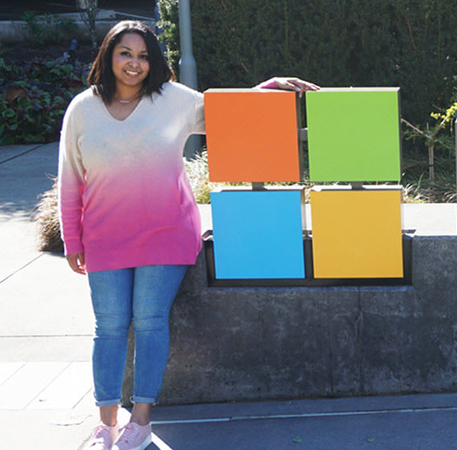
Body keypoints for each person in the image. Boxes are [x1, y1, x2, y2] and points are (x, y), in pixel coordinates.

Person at [58, 20, 319, 450]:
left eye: (143, 56)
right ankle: (105, 425)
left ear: (153, 62)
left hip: (165, 233)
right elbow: (71, 180)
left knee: (148, 322)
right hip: (104, 236)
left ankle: (140, 423)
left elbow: (228, 112)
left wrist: (271, 86)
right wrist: (73, 240)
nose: (134, 64)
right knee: (108, 327)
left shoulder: (173, 100)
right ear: (108, 56)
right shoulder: (82, 109)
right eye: (125, 53)